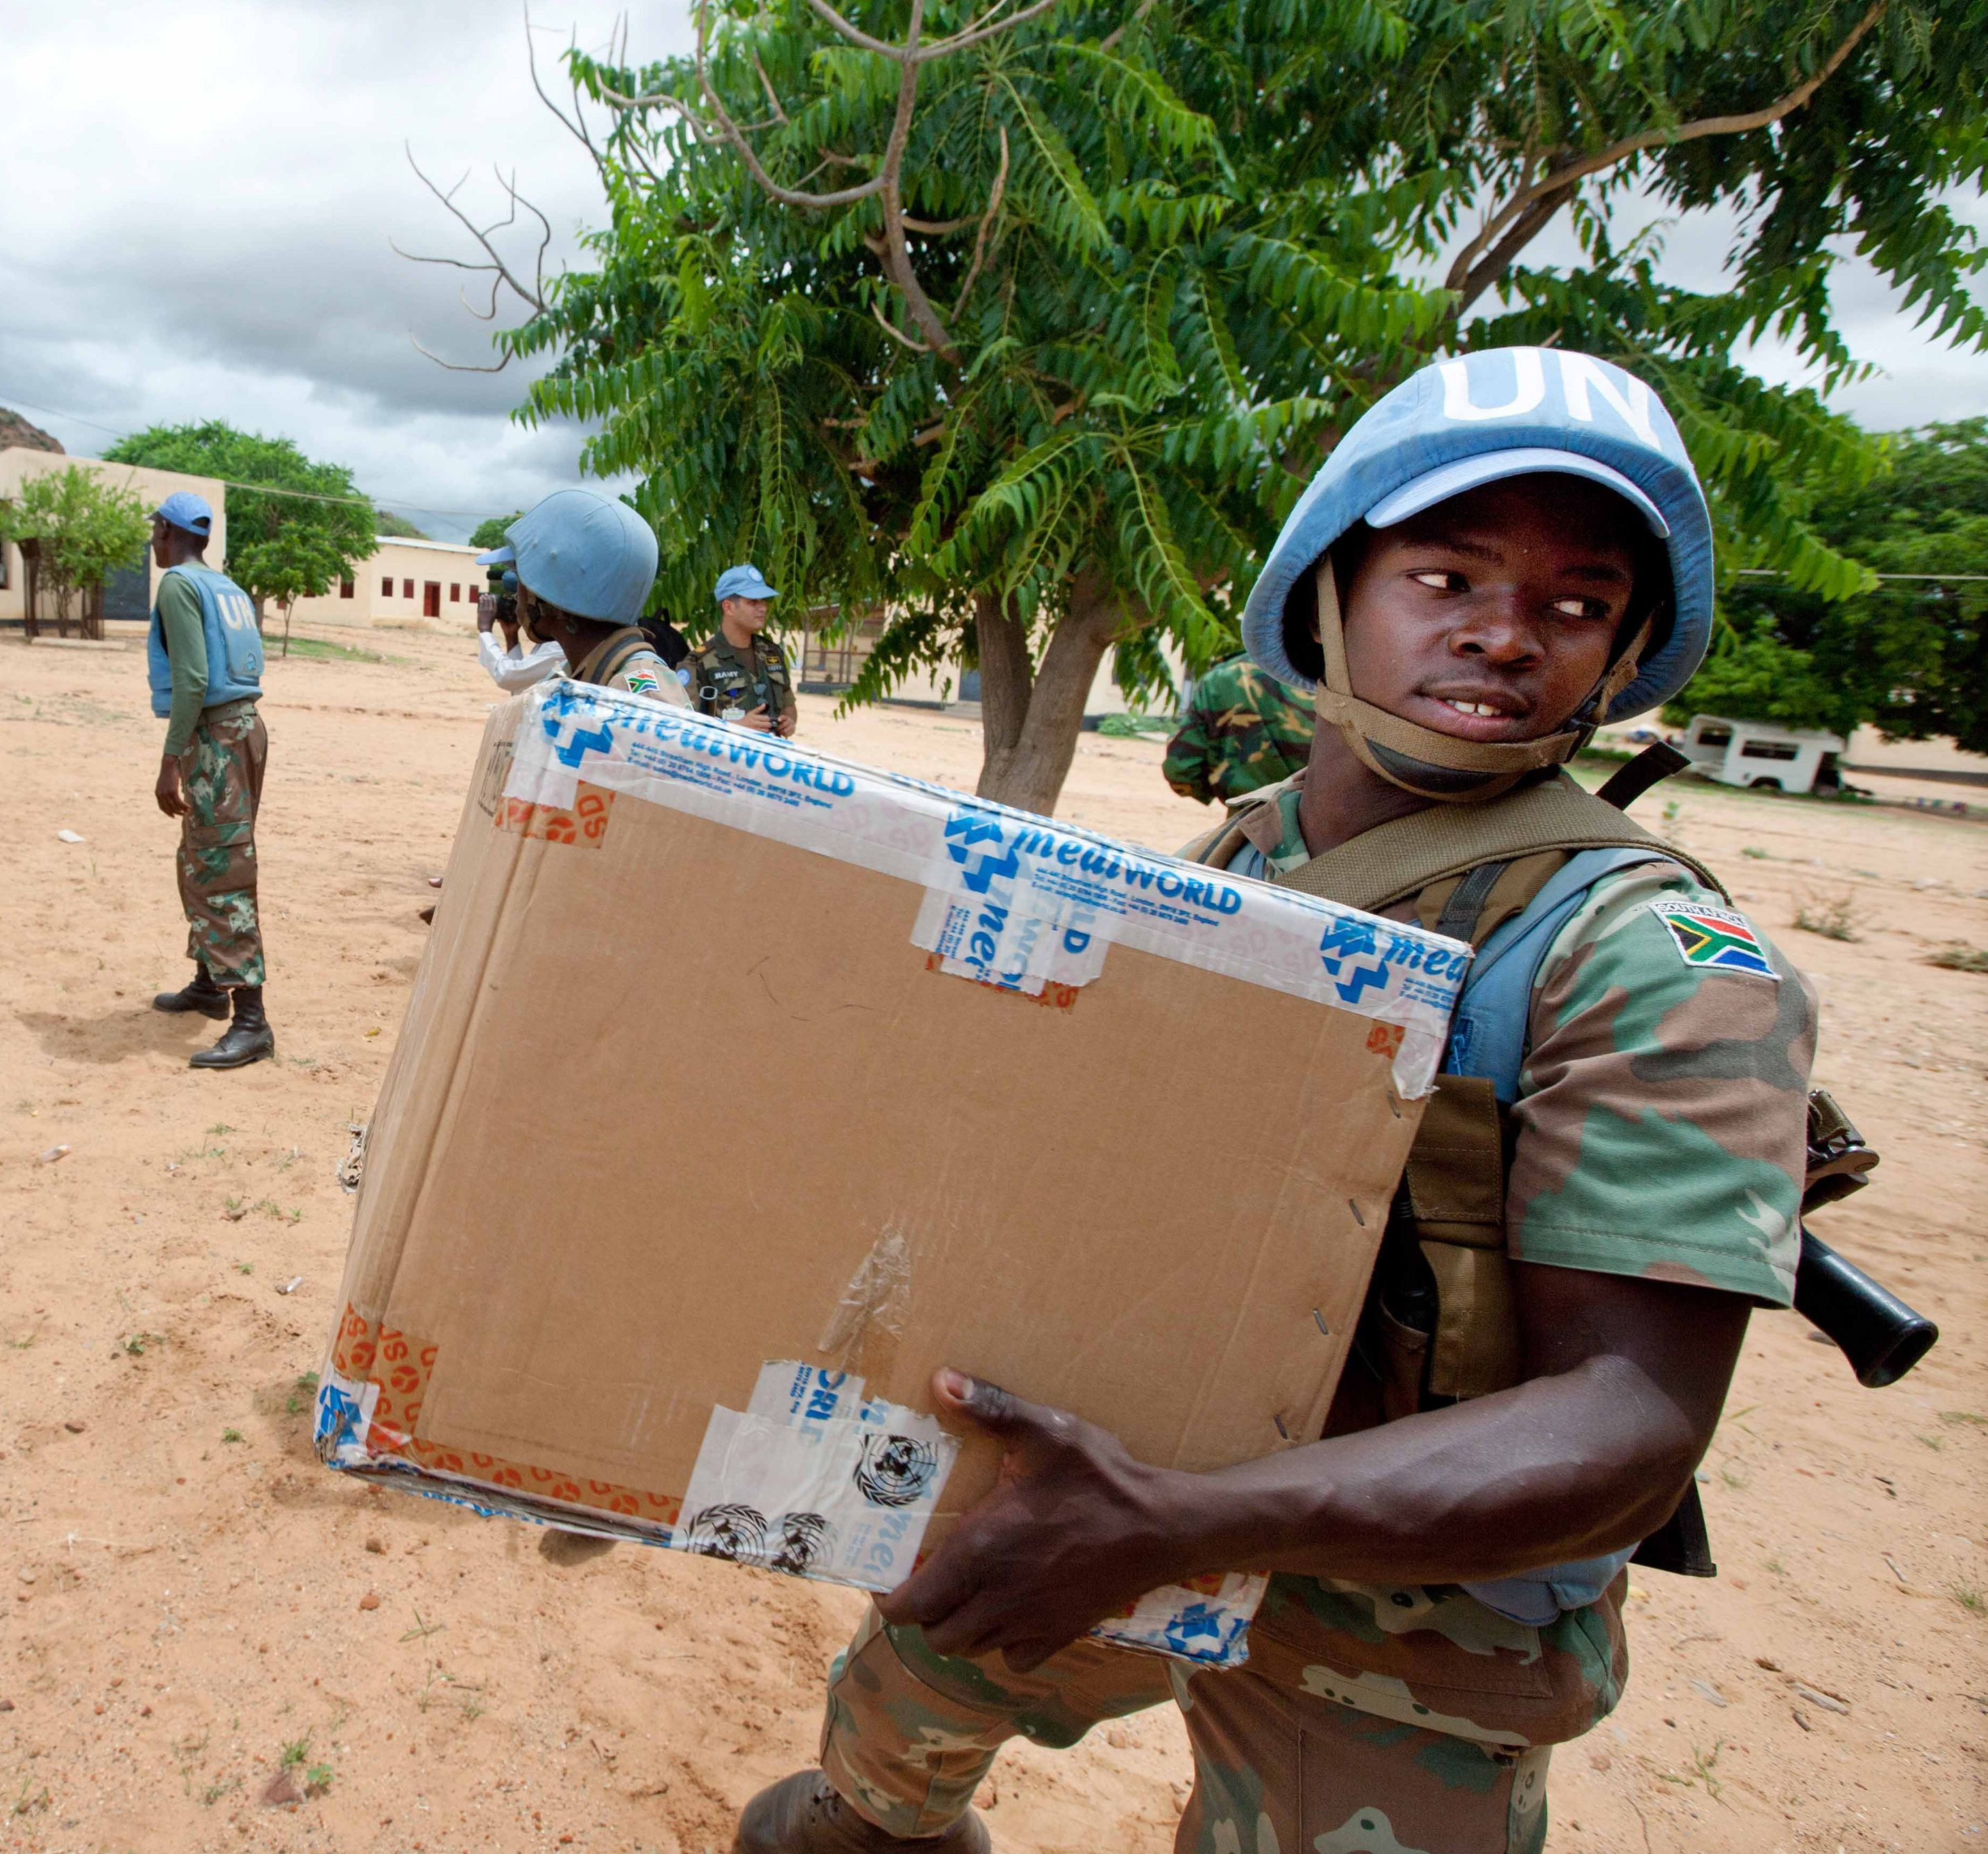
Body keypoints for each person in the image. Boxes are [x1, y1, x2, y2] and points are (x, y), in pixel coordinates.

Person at [737, 348, 1817, 1854]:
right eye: (1445, 575)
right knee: (877, 1765)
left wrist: (1177, 1520)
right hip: (1111, 1481)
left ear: (1623, 648)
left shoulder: (1649, 958)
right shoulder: (1237, 871)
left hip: (1412, 1621)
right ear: (1328, 594)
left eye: (1574, 605)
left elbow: (1630, 1422)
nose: (1506, 636)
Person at [144, 491, 276, 1069]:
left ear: (170, 531)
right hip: (246, 728)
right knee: (203, 856)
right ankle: (208, 983)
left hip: (214, 737)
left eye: (155, 529)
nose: (152, 539)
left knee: (222, 868)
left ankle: (252, 1020)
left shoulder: (178, 584)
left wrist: (171, 758)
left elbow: (194, 677)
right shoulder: (228, 586)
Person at [475, 488, 682, 703]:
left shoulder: (638, 698)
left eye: (521, 578)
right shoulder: (582, 672)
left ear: (546, 595)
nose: (517, 595)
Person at [1160, 648, 1317, 802]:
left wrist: (1234, 794)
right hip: (1328, 822)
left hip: (1247, 820)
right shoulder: (1334, 674)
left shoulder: (1223, 677)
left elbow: (1181, 770)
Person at [693, 564, 798, 736]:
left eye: (763, 600)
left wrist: (789, 720)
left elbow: (788, 700)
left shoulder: (772, 653)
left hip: (770, 759)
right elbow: (687, 723)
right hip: (725, 759)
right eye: (752, 602)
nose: (763, 607)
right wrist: (735, 727)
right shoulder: (700, 661)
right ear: (729, 607)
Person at [475, 562, 565, 693]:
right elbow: (520, 686)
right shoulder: (553, 640)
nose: (518, 610)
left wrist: (485, 630)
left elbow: (507, 677)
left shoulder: (560, 646)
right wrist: (511, 636)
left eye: (518, 599)